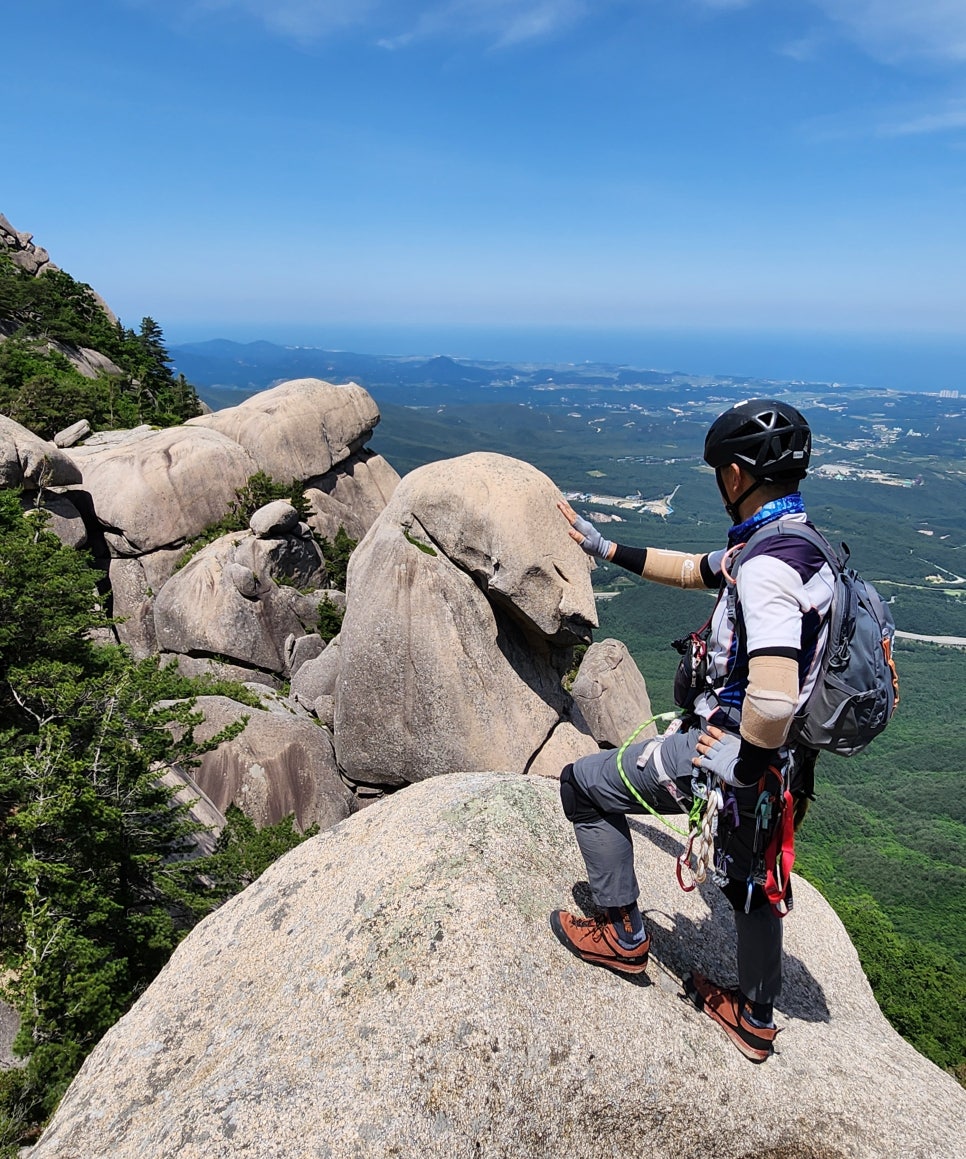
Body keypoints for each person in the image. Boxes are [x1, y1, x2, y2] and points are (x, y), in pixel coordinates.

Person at [551, 398, 833, 1063]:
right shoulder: (801, 545)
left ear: (736, 475)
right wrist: (606, 547)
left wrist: (733, 764)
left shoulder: (764, 568)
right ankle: (755, 1015)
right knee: (751, 881)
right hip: (788, 768)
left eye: (720, 472)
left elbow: (769, 696)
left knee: (584, 784)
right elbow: (692, 569)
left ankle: (621, 933)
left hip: (731, 756)